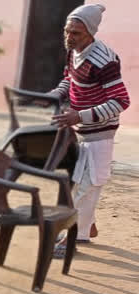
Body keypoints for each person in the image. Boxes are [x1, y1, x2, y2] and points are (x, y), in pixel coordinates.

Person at [51, 4, 130, 257]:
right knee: (78, 180)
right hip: (80, 128)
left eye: (76, 33)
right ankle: (88, 226)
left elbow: (121, 101)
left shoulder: (105, 59)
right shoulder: (72, 51)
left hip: (100, 132)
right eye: (67, 31)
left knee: (89, 183)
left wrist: (79, 114)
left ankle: (74, 237)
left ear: (90, 33)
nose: (69, 37)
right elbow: (69, 79)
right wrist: (55, 94)